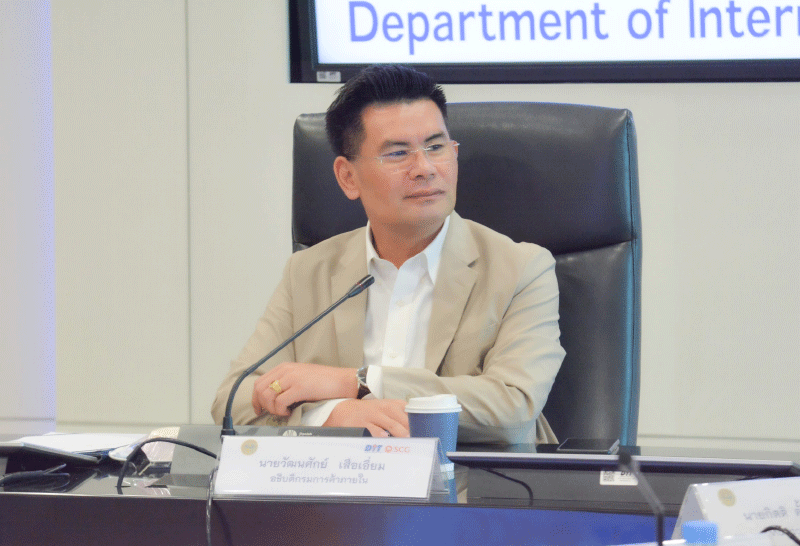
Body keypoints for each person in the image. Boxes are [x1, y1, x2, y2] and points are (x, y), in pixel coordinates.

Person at [211, 65, 565, 444]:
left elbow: (513, 406)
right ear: (348, 177)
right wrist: (334, 414)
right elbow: (233, 399)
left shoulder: (521, 269)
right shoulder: (309, 272)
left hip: (471, 479)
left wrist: (360, 382)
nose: (425, 169)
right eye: (398, 153)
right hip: (343, 479)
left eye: (436, 147)